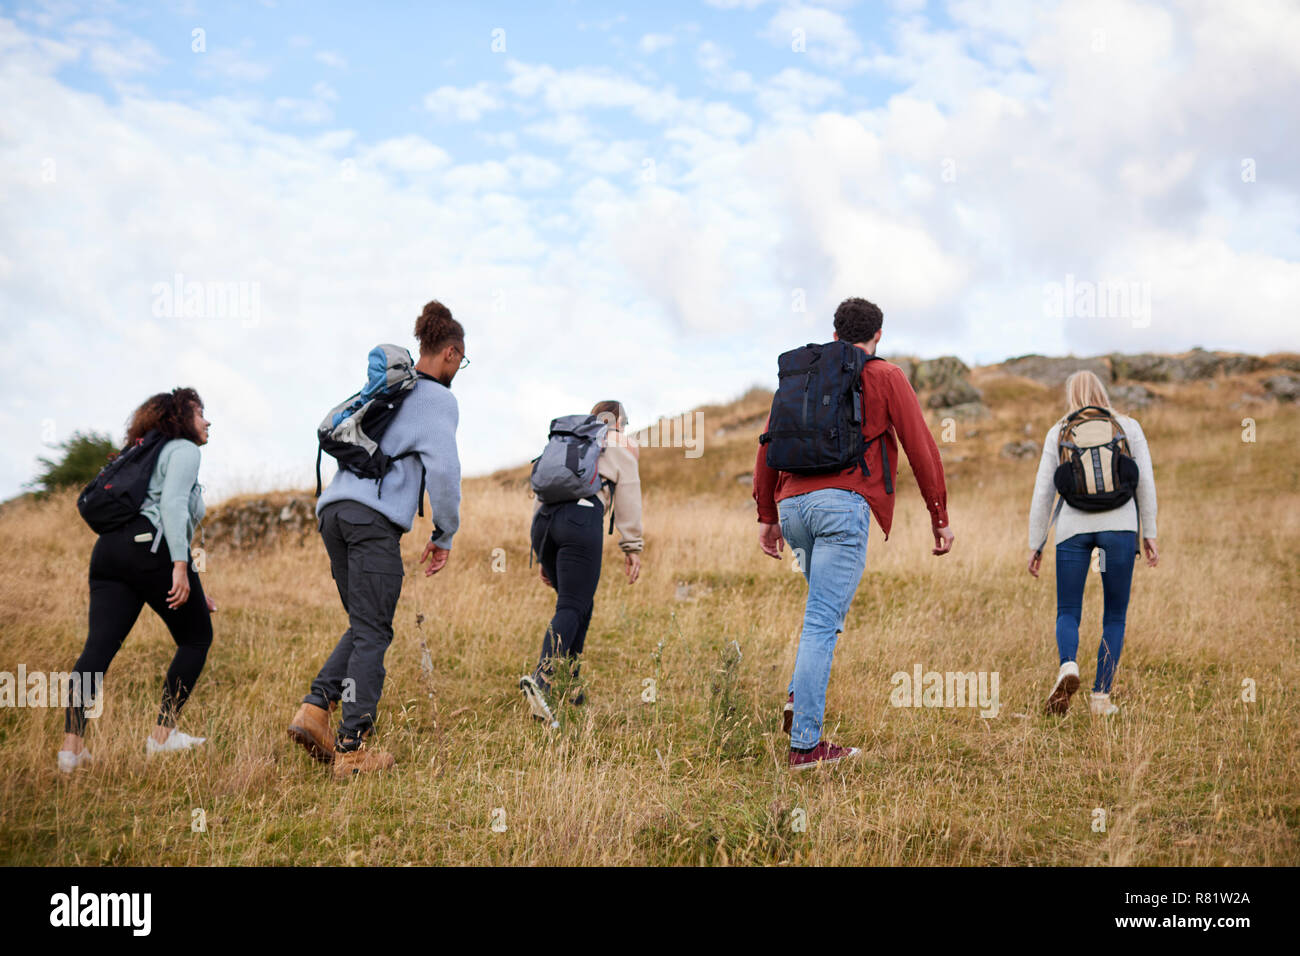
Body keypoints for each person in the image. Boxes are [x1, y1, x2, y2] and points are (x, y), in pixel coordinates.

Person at [753, 298, 954, 770]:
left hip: (792, 507)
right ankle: (805, 747)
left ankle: (797, 696)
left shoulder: (803, 375)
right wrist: (938, 514)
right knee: (823, 621)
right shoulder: (885, 375)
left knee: (821, 612)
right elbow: (920, 445)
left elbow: (767, 444)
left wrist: (766, 515)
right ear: (878, 335)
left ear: (836, 331)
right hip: (842, 506)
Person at [287, 301, 464, 778]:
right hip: (371, 522)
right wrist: (445, 533)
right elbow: (445, 473)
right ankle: (351, 749)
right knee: (373, 631)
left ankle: (315, 711)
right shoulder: (437, 399)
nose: (458, 371)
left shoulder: (391, 390)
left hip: (334, 513)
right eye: (461, 361)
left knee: (365, 624)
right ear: (449, 353)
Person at [59, 388, 215, 773]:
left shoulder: (145, 453)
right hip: (151, 551)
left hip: (110, 552)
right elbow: (173, 507)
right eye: (200, 414)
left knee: (98, 648)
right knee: (196, 638)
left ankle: (71, 751)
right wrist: (181, 566)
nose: (207, 422)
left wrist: (196, 583)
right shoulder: (183, 450)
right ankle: (161, 739)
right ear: (183, 420)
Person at [1027, 370, 1158, 716]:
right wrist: (1150, 533)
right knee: (1114, 615)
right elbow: (1144, 483)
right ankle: (1101, 698)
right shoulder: (1127, 426)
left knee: (1068, 610)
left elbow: (1044, 492)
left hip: (1073, 529)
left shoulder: (1058, 431)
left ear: (1071, 395)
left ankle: (1068, 665)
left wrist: (1036, 543)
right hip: (1120, 528)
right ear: (1102, 391)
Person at [519, 401, 643, 724]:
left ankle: (569, 685)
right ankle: (544, 680)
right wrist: (632, 547)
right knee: (573, 606)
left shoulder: (571, 441)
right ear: (619, 422)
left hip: (543, 524)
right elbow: (628, 492)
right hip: (581, 520)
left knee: (579, 603)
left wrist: (544, 554)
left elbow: (543, 492)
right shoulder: (617, 442)